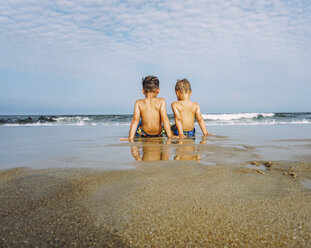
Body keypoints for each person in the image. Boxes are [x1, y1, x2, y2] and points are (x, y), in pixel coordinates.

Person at [121, 76, 173, 141]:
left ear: (143, 91)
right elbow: (164, 119)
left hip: (145, 134)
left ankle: (133, 136)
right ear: (158, 90)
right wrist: (170, 136)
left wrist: (130, 138)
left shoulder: (138, 103)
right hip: (158, 133)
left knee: (138, 123)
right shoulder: (161, 101)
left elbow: (135, 121)